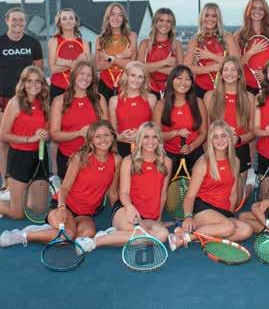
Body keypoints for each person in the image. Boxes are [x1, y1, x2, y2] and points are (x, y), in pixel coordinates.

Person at [0, 120, 121, 248]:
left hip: (85, 214)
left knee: (86, 234)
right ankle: (23, 236)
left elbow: (112, 192)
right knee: (67, 235)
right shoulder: (80, 157)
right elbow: (65, 187)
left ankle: (47, 231)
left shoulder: (117, 160)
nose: (103, 139)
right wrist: (62, 207)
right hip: (64, 205)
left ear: (113, 137)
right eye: (98, 136)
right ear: (91, 140)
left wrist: (117, 217)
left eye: (106, 135)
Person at [73, 122, 172, 252]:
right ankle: (92, 242)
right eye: (146, 137)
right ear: (139, 139)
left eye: (154, 137)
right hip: (126, 209)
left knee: (162, 235)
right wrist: (130, 208)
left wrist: (158, 219)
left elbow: (163, 193)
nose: (150, 141)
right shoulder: (129, 161)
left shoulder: (166, 162)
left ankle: (113, 235)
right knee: (143, 235)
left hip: (148, 215)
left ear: (159, 140)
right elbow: (123, 192)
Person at [167, 120, 253, 250]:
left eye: (223, 136)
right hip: (203, 207)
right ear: (210, 140)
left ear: (230, 138)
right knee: (229, 228)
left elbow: (233, 192)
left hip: (222, 210)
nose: (220, 140)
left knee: (246, 230)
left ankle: (201, 234)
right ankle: (184, 238)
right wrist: (188, 216)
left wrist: (229, 215)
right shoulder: (203, 162)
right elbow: (190, 195)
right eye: (215, 137)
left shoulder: (235, 161)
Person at [0, 7, 43, 200]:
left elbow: (38, 73)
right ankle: (6, 183)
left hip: (27, 100)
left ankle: (27, 181)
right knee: (3, 142)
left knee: (27, 140)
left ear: (25, 22)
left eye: (21, 20)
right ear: (7, 20)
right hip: (3, 97)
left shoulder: (33, 43)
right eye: (14, 19)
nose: (18, 23)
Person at [204, 56, 255, 203]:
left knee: (236, 201)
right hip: (217, 149)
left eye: (233, 69)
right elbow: (207, 131)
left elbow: (252, 133)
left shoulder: (249, 97)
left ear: (239, 74)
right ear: (221, 74)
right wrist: (209, 153)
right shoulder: (210, 96)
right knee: (219, 196)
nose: (229, 73)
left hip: (239, 148)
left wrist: (238, 139)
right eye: (226, 69)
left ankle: (250, 183)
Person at [0, 66, 49, 219]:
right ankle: (12, 196)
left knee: (38, 209)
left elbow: (46, 131)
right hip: (19, 157)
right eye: (29, 81)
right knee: (17, 214)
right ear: (23, 83)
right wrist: (30, 139)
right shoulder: (15, 103)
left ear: (42, 84)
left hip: (40, 155)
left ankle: (18, 195)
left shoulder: (44, 103)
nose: (33, 85)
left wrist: (44, 134)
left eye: (37, 81)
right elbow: (3, 135)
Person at [50, 61, 108, 179]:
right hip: (67, 158)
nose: (85, 78)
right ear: (74, 75)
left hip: (95, 158)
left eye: (89, 75)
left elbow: (107, 130)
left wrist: (94, 133)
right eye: (81, 73)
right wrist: (78, 133)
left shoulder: (99, 99)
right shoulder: (59, 101)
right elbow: (54, 135)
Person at [153, 65, 208, 174]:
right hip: (168, 156)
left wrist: (191, 147)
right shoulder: (160, 104)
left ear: (192, 83)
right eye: (179, 78)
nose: (183, 82)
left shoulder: (199, 102)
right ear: (171, 80)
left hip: (195, 154)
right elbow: (157, 135)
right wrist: (176, 133)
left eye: (187, 79)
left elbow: (203, 133)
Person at [183, 3, 239, 98]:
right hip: (200, 89)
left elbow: (237, 63)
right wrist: (212, 68)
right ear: (202, 17)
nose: (210, 19)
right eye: (207, 15)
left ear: (218, 18)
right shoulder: (194, 41)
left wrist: (210, 56)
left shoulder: (227, 37)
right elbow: (187, 68)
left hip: (225, 87)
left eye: (214, 16)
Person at [234, 0, 269, 94]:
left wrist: (266, 73)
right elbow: (236, 65)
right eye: (254, 8)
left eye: (261, 8)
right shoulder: (238, 35)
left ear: (265, 12)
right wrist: (251, 52)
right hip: (246, 86)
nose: (257, 11)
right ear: (248, 11)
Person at [109, 61, 156, 157]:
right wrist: (120, 137)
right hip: (122, 147)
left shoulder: (151, 99)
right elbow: (112, 131)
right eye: (133, 75)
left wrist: (141, 135)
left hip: (146, 146)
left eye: (140, 77)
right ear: (126, 76)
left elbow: (156, 127)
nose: (136, 80)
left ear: (144, 80)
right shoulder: (114, 100)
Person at [137, 8, 183, 98]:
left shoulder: (176, 44)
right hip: (147, 89)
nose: (164, 24)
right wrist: (165, 62)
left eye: (168, 21)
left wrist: (150, 68)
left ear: (172, 25)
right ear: (155, 22)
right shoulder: (145, 43)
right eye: (161, 20)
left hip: (170, 90)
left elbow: (180, 72)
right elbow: (139, 69)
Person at [95, 3, 137, 102]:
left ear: (123, 18)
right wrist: (121, 56)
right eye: (113, 14)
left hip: (126, 83)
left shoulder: (131, 36)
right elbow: (98, 66)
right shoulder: (100, 39)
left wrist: (109, 59)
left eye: (120, 15)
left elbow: (132, 64)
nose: (116, 18)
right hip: (105, 84)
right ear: (108, 17)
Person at [47, 8, 90, 100]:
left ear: (75, 22)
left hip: (79, 88)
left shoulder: (84, 43)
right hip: (58, 88)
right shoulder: (54, 41)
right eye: (64, 18)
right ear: (59, 23)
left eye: (71, 18)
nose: (68, 21)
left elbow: (86, 68)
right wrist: (76, 64)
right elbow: (53, 69)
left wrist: (63, 62)